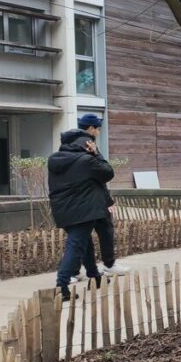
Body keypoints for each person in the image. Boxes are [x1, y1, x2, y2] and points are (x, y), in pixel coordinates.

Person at [48, 131, 115, 301]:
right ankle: (61, 286)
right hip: (84, 210)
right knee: (76, 245)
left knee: (85, 244)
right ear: (84, 144)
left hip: (63, 210)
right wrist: (97, 153)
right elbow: (108, 172)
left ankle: (95, 278)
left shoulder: (55, 160)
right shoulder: (87, 160)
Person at [70, 113, 128, 277]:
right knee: (84, 235)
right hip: (88, 199)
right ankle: (75, 271)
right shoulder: (85, 144)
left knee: (102, 229)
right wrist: (97, 155)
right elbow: (104, 172)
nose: (99, 132)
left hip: (93, 198)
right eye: (98, 128)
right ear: (90, 128)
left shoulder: (77, 142)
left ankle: (106, 265)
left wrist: (107, 200)